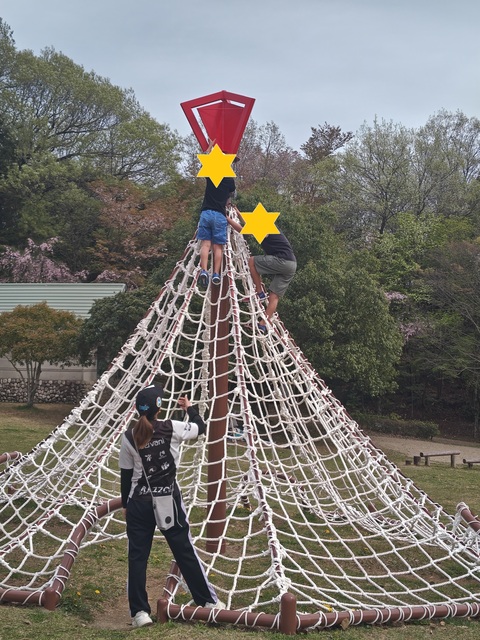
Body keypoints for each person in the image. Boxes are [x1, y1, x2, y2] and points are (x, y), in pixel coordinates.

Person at [119, 383, 223, 628]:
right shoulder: (172, 427)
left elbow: (126, 475)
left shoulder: (128, 436)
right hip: (168, 500)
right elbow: (200, 427)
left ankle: (140, 613)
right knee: (184, 550)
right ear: (159, 407)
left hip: (138, 502)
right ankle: (207, 602)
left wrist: (126, 504)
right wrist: (190, 409)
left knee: (137, 557)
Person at [227, 210, 297, 334]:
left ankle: (259, 292)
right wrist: (237, 213)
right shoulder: (268, 225)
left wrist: (227, 219)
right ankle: (263, 324)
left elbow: (244, 231)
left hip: (282, 260)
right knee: (274, 296)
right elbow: (248, 226)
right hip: (291, 265)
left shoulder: (266, 227)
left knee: (252, 261)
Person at [197, 143, 237, 288]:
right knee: (218, 247)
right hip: (220, 215)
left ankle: (203, 270)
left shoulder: (211, 175)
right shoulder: (229, 180)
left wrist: (208, 151)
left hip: (206, 213)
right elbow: (232, 191)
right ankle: (215, 273)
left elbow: (206, 166)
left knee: (205, 244)